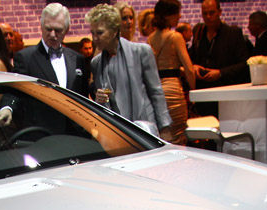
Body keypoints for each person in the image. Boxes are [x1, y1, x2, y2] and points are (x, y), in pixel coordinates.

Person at [86, 3, 172, 138]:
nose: (95, 38)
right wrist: (99, 100)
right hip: (117, 132)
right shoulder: (96, 63)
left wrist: (165, 127)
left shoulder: (141, 52)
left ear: (114, 31)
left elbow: (156, 92)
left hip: (145, 127)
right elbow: (104, 102)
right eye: (93, 33)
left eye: (100, 33)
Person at [188, 0, 250, 115]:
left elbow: (244, 63)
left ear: (219, 12)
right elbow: (192, 56)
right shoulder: (199, 33)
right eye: (204, 13)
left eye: (211, 13)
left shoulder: (233, 33)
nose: (208, 17)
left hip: (225, 90)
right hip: (203, 92)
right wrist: (193, 66)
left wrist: (220, 73)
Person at [147, 0, 196, 144]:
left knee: (163, 137)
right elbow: (189, 69)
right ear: (168, 16)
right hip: (174, 92)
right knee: (178, 138)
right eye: (177, 13)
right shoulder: (176, 37)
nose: (179, 16)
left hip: (156, 91)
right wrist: (193, 91)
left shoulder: (151, 38)